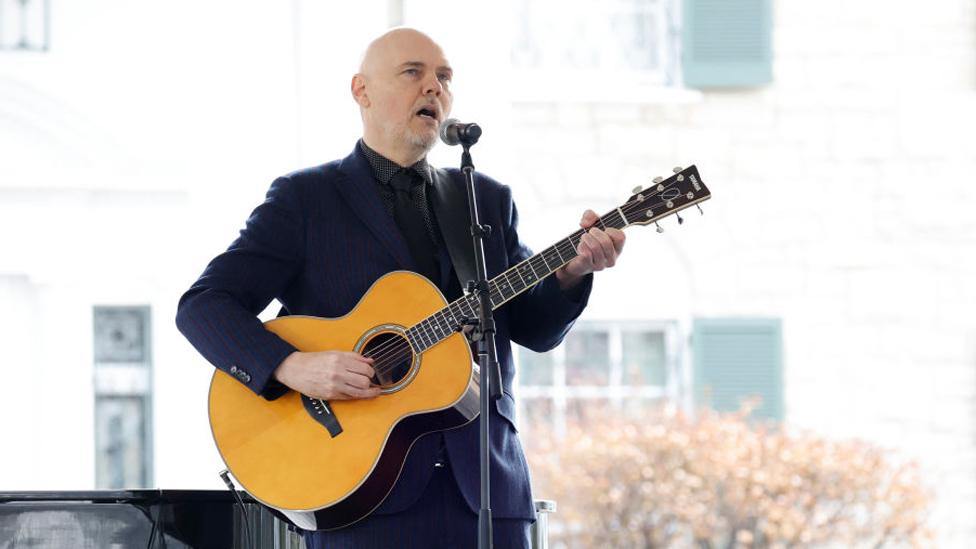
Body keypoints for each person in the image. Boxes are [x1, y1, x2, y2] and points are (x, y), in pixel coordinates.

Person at [176, 27, 625, 548]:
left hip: (487, 495)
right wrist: (292, 367)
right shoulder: (305, 201)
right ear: (361, 90)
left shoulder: (485, 200)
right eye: (413, 73)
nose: (434, 87)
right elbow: (204, 306)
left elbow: (535, 327)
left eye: (444, 77)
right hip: (360, 494)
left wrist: (573, 273)